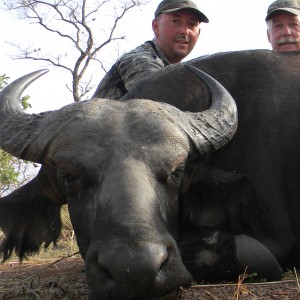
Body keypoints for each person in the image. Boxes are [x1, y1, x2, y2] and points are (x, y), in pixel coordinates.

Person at [93, 0, 209, 99]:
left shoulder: (183, 72)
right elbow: (164, 102)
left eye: (192, 24)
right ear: (156, 27)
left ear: (198, 33)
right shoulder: (139, 61)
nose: (185, 31)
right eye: (175, 21)